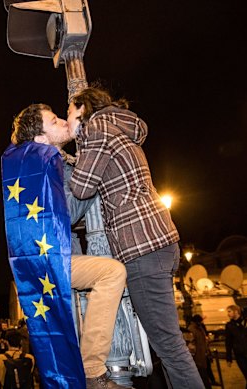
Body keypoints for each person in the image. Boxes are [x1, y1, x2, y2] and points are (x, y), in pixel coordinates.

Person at [67, 86, 204, 388]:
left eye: (70, 112)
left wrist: (78, 136)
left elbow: (81, 188)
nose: (68, 118)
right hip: (159, 241)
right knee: (167, 344)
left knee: (169, 346)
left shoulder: (97, 127)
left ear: (82, 107)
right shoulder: (119, 126)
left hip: (141, 246)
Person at [11, 103, 128, 389]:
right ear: (40, 139)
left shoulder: (46, 162)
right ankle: (92, 369)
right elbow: (69, 212)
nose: (64, 122)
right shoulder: (47, 165)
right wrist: (92, 173)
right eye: (55, 121)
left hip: (52, 260)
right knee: (111, 273)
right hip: (51, 262)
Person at [225, 304, 247, 389]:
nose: (228, 314)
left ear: (236, 311)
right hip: (240, 355)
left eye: (229, 311)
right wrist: (229, 358)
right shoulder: (229, 325)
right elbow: (228, 342)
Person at [188, 315, 212, 389]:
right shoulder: (192, 329)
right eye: (201, 321)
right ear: (197, 321)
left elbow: (203, 341)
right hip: (197, 358)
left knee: (205, 376)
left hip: (203, 356)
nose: (202, 322)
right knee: (203, 378)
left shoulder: (199, 328)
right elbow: (191, 344)